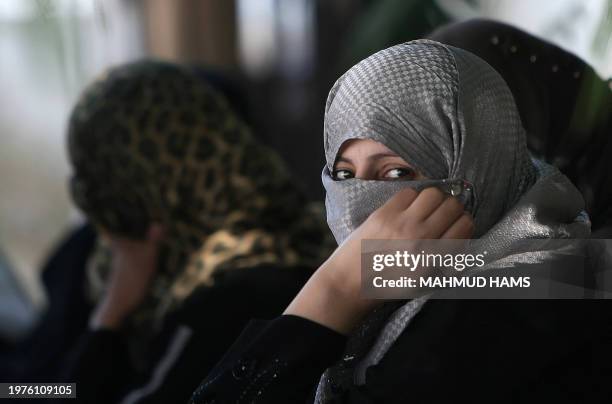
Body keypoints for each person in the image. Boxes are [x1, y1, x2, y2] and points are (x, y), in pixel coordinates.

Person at [189, 39, 612, 403]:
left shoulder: (507, 315)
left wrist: (337, 286)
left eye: (396, 174)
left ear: (480, 169)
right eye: (343, 174)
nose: (360, 204)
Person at [11, 60, 334, 404]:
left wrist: (111, 313)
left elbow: (53, 389)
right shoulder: (303, 230)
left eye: (98, 177)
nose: (90, 197)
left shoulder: (226, 294)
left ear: (144, 180)